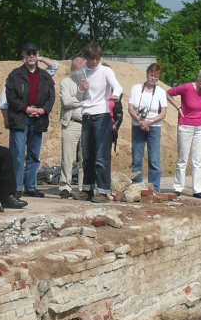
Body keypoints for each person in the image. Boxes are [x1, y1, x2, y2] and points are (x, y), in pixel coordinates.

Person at [4, 43, 56, 198]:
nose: (31, 56)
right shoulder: (15, 74)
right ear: (24, 56)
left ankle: (31, 187)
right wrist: (25, 108)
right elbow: (11, 96)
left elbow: (51, 97)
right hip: (20, 118)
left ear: (37, 55)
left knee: (34, 155)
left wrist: (43, 110)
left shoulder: (45, 76)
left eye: (34, 53)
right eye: (28, 53)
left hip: (38, 119)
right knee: (18, 154)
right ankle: (17, 187)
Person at [76, 42, 122, 203]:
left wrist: (115, 95)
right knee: (87, 156)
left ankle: (103, 191)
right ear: (86, 58)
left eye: (96, 58)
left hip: (102, 116)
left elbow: (118, 86)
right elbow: (79, 98)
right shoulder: (82, 73)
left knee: (101, 157)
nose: (94, 62)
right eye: (91, 58)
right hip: (87, 116)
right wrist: (81, 90)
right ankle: (87, 189)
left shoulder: (105, 71)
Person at [167, 67, 201, 199]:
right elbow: (169, 93)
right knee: (182, 158)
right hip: (185, 125)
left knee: (197, 159)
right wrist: (178, 107)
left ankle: (197, 189)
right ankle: (178, 187)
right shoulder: (187, 88)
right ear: (199, 77)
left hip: (200, 126)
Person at [128, 63, 168, 191]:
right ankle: (137, 187)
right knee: (137, 159)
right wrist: (140, 121)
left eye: (156, 76)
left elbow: (163, 113)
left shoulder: (161, 92)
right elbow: (130, 108)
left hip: (154, 127)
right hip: (137, 125)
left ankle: (154, 188)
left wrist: (149, 122)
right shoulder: (135, 88)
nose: (153, 78)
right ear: (147, 74)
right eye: (151, 75)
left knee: (154, 160)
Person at [58, 57, 86, 199]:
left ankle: (83, 187)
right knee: (67, 158)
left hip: (87, 124)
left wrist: (77, 97)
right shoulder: (66, 82)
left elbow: (92, 100)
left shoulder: (90, 82)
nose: (80, 72)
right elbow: (66, 102)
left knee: (84, 159)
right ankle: (65, 187)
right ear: (72, 69)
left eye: (82, 69)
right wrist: (81, 97)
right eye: (77, 69)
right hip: (71, 123)